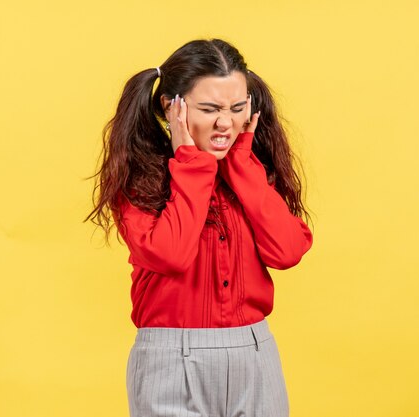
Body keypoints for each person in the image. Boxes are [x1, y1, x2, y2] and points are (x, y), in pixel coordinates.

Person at [85, 38, 314, 417]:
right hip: (171, 358)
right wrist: (192, 162)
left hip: (254, 354)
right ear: (170, 107)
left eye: (237, 108)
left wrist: (241, 164)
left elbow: (287, 252)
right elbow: (170, 254)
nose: (226, 122)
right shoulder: (139, 181)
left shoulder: (254, 173)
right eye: (209, 109)